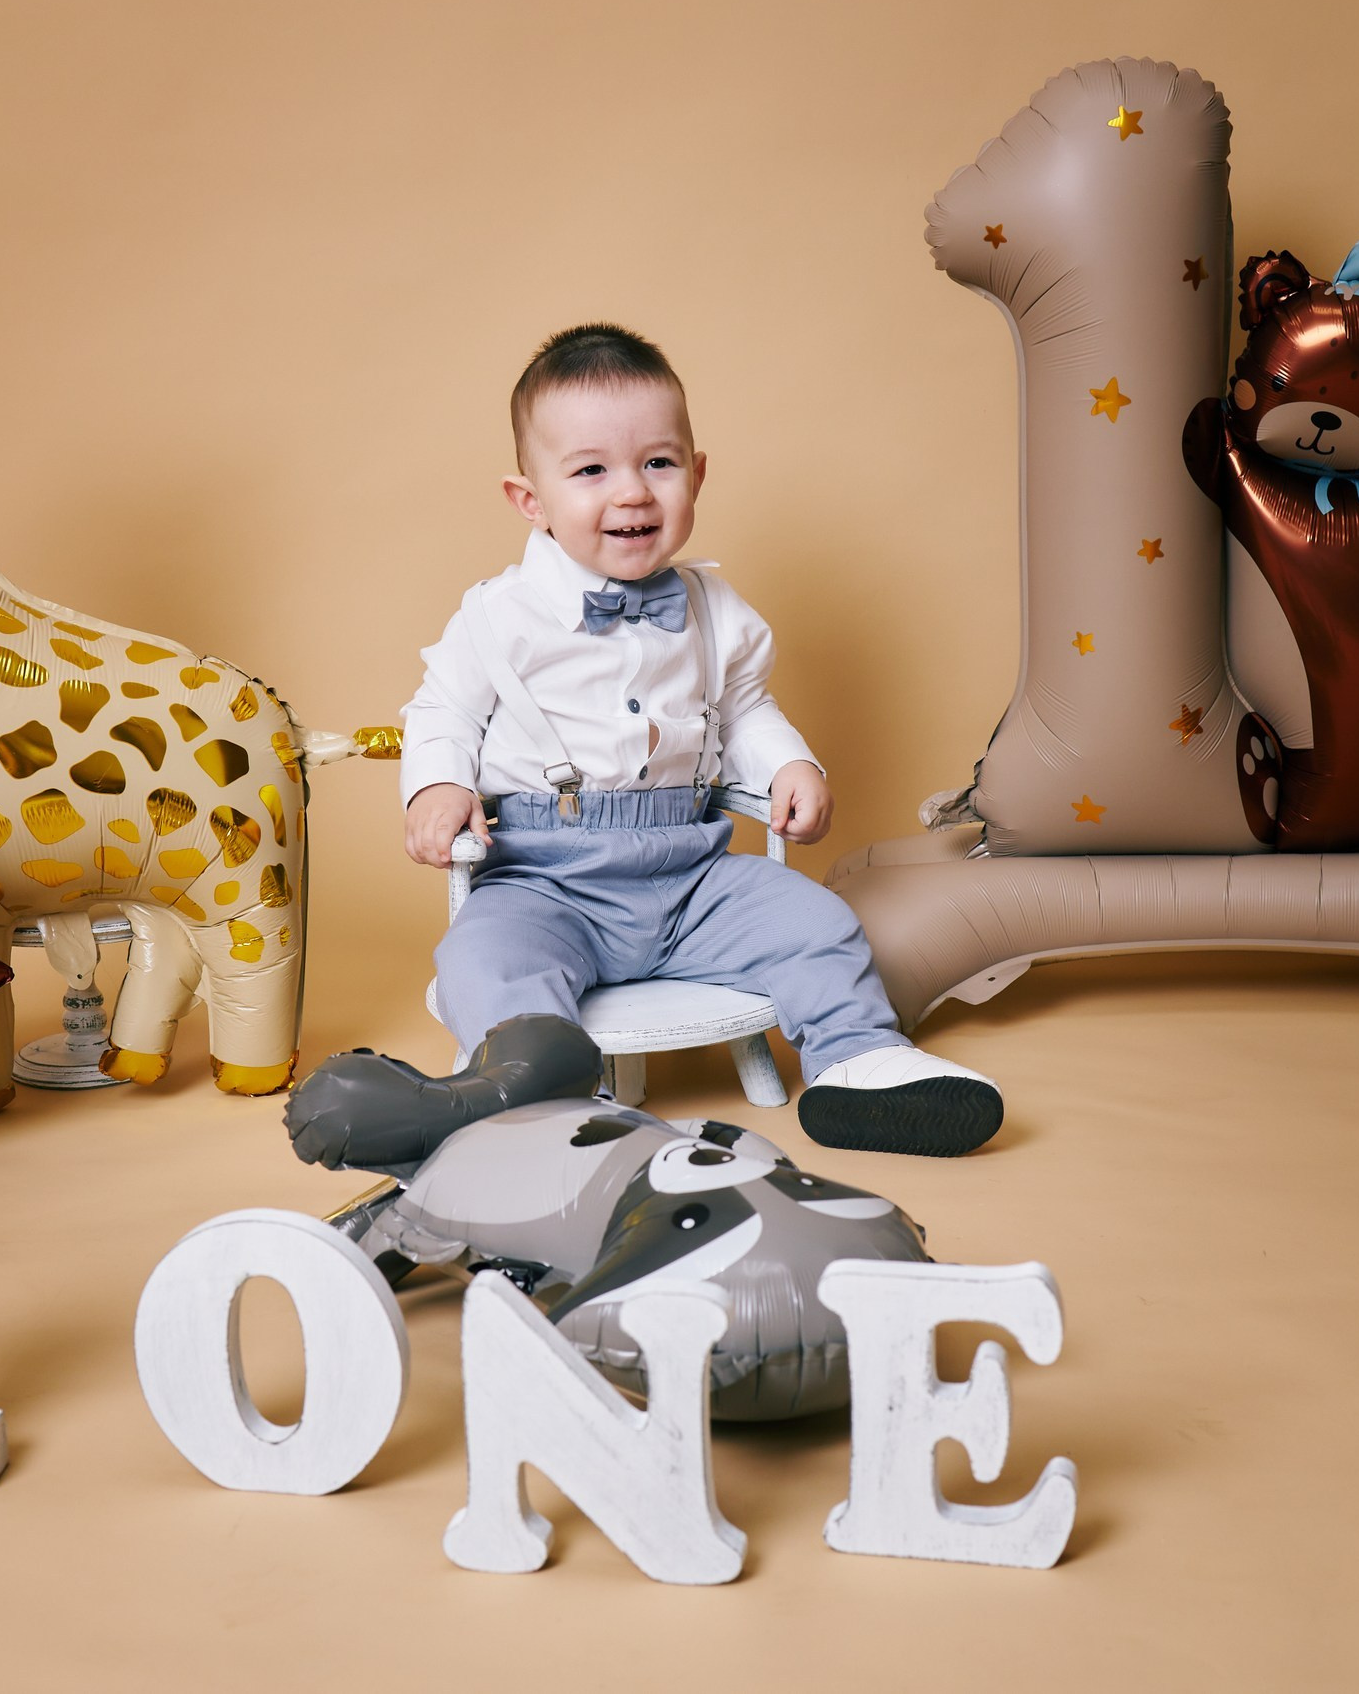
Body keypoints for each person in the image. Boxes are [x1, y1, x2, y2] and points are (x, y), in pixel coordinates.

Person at [283, 325, 1001, 1172]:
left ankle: (858, 1059)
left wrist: (788, 765)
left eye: (658, 464)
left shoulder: (712, 606)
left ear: (697, 474)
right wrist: (434, 788)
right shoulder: (497, 615)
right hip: (544, 877)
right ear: (530, 499)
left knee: (815, 922)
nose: (632, 494)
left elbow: (743, 705)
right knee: (485, 956)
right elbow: (440, 710)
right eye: (590, 471)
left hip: (688, 873)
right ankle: (541, 1100)